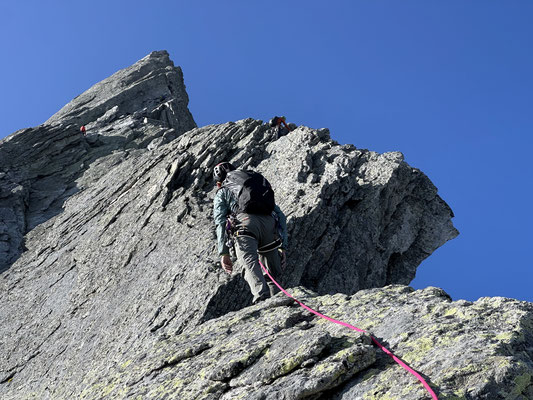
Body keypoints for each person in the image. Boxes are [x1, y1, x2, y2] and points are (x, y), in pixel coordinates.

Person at [213, 162, 288, 304]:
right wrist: (283, 246)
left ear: (218, 183)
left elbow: (220, 222)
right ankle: (279, 300)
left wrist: (224, 253)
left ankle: (262, 298)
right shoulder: (252, 186)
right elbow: (281, 216)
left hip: (246, 225)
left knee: (249, 262)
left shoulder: (222, 191)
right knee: (271, 274)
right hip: (269, 226)